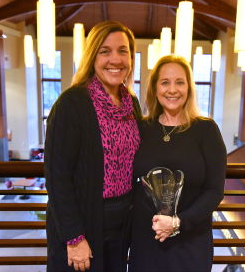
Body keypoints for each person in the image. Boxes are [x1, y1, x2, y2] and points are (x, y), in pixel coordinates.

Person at [44, 21, 142, 272]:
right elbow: (57, 177)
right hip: (84, 225)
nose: (116, 59)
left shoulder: (131, 103)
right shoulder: (72, 103)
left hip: (120, 229)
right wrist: (74, 238)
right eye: (105, 51)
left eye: (123, 51)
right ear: (92, 57)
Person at [128, 55, 227, 272]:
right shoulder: (143, 127)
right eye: (165, 82)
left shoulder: (206, 129)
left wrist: (177, 222)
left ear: (189, 88)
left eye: (180, 82)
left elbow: (215, 190)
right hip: (146, 239)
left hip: (190, 240)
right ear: (155, 89)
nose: (173, 90)